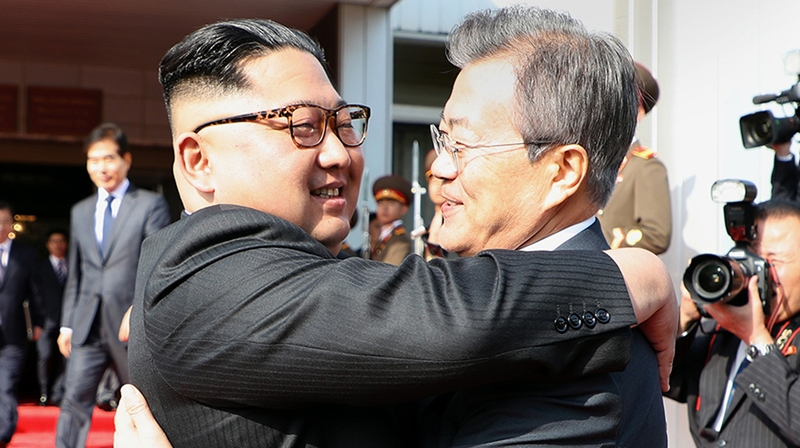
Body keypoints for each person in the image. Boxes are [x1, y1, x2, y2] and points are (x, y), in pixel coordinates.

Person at [121, 16, 676, 448]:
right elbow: (432, 314)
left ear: (561, 171)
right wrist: (628, 275)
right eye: (304, 127)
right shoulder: (204, 269)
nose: (341, 153)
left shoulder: (586, 361)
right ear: (198, 162)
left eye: (341, 124)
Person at [420, 7, 665, 446]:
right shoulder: (509, 299)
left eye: (462, 144)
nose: (440, 167)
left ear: (563, 171)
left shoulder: (581, 356)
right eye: (442, 139)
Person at [56, 123, 171, 448]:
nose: (101, 167)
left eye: (108, 158)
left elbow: (156, 264)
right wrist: (67, 324)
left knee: (141, 400)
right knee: (73, 399)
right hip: (88, 323)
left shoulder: (150, 205)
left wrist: (138, 309)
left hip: (128, 325)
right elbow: (76, 273)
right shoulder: (80, 211)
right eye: (93, 160)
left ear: (126, 160)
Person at [666, 199, 800, 447]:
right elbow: (669, 381)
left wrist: (757, 340)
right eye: (753, 258)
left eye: (774, 261)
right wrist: (682, 321)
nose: (759, 273)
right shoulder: (724, 323)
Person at [597, 61, 672, 254]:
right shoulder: (593, 159)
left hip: (614, 271)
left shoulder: (646, 167)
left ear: (638, 111)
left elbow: (658, 235)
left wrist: (611, 239)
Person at [0, 201, 43, 448]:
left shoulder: (25, 255)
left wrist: (37, 323)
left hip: (13, 334)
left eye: (4, 221)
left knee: (6, 383)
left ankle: (4, 434)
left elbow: (36, 292)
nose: (0, 227)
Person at [34, 229, 68, 407]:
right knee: (45, 356)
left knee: (66, 358)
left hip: (68, 321)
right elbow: (35, 295)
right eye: (54, 241)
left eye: (61, 241)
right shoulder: (40, 267)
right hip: (46, 320)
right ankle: (44, 393)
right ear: (48, 245)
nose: (58, 245)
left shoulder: (73, 266)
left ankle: (59, 392)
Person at [370, 174, 413, 264]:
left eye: (391, 203)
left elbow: (389, 271)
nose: (384, 208)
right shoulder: (382, 236)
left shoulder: (401, 240)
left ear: (403, 209)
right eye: (380, 203)